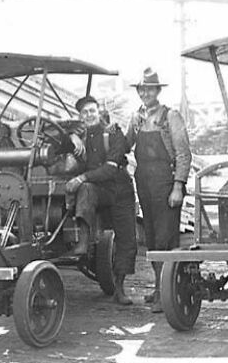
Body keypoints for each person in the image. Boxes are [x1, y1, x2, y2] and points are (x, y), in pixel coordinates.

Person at [126, 67, 192, 313]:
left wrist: (178, 186)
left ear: (158, 90)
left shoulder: (171, 116)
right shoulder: (137, 117)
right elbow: (125, 144)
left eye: (150, 89)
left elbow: (184, 154)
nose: (145, 93)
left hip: (166, 184)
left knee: (166, 239)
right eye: (142, 89)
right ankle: (158, 289)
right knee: (153, 239)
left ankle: (169, 294)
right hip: (144, 183)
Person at [65, 95, 138, 305]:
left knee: (126, 239)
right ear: (80, 116)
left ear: (99, 111)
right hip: (99, 190)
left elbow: (110, 168)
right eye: (84, 113)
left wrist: (81, 177)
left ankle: (120, 288)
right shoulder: (81, 135)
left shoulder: (113, 132)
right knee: (86, 189)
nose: (89, 115)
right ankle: (84, 240)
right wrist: (72, 136)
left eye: (92, 111)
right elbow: (59, 136)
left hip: (120, 190)